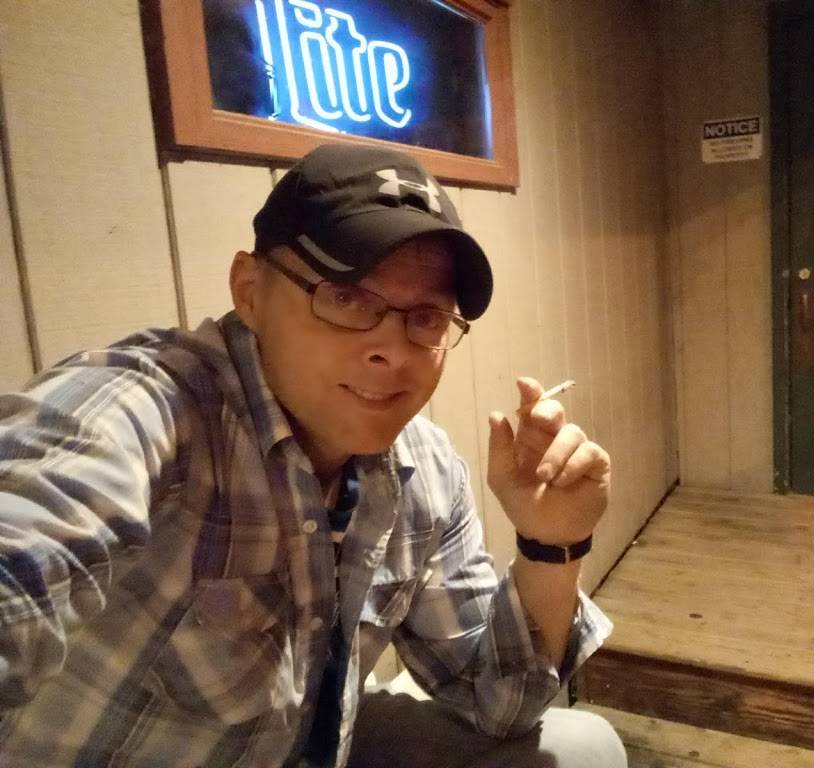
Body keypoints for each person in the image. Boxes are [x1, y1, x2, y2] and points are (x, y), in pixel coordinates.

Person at [0, 144, 625, 767]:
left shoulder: (423, 469)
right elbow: (30, 539)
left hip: (310, 744)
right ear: (250, 291)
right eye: (345, 297)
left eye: (427, 316)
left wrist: (551, 545)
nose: (392, 350)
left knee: (582, 748)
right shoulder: (148, 412)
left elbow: (499, 703)